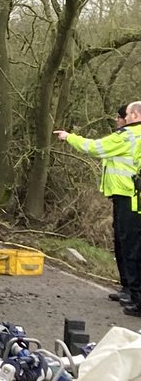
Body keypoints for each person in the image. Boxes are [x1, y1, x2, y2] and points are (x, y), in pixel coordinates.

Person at [55, 101, 141, 316]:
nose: (122, 119)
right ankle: (129, 290)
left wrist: (69, 137)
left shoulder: (129, 135)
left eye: (127, 114)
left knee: (130, 247)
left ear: (135, 114)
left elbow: (95, 148)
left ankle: (135, 296)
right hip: (126, 196)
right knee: (124, 245)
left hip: (130, 198)